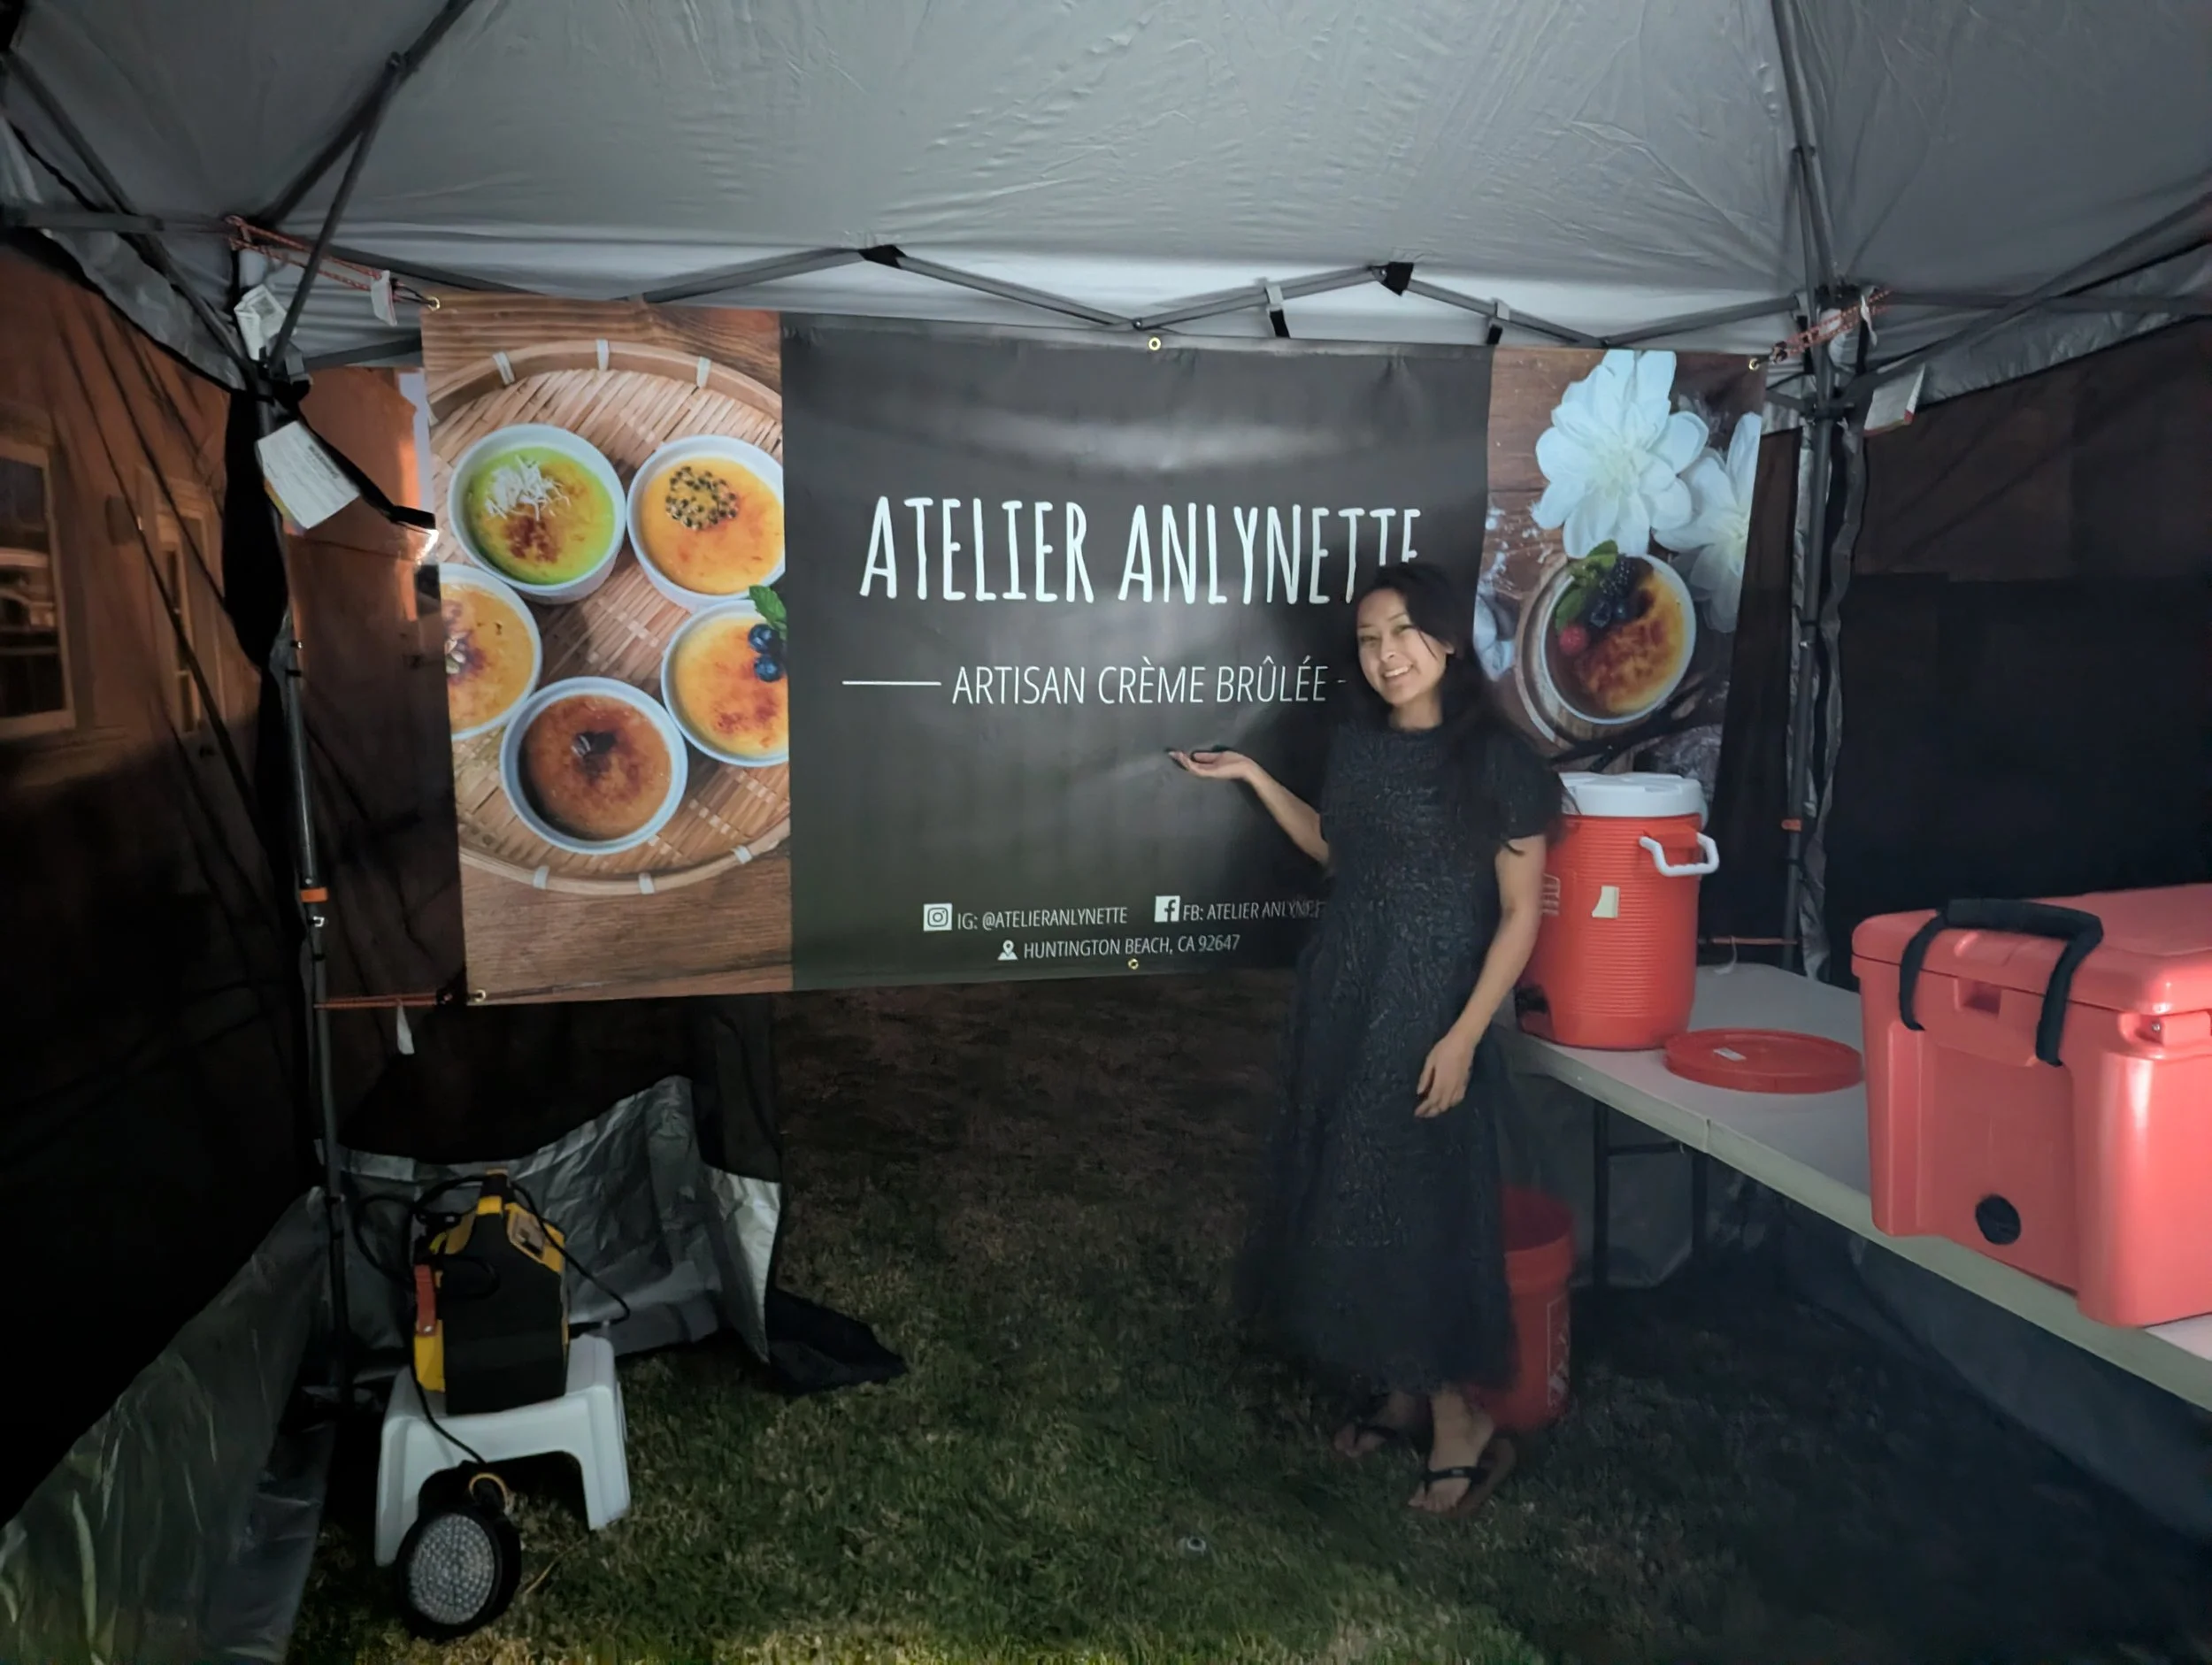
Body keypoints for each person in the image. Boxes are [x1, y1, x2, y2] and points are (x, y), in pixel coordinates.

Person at [1172, 560, 1561, 1517]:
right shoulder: (1358, 747)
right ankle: (1397, 1389)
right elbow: (1341, 850)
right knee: (1353, 1191)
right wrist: (1256, 775)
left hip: (1429, 1007)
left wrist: (1465, 1035)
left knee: (1414, 1205)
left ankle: (1460, 1423)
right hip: (1345, 991)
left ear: (1449, 639)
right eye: (1368, 639)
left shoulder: (1499, 763)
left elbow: (1518, 916)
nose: (1385, 655)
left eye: (1402, 633)